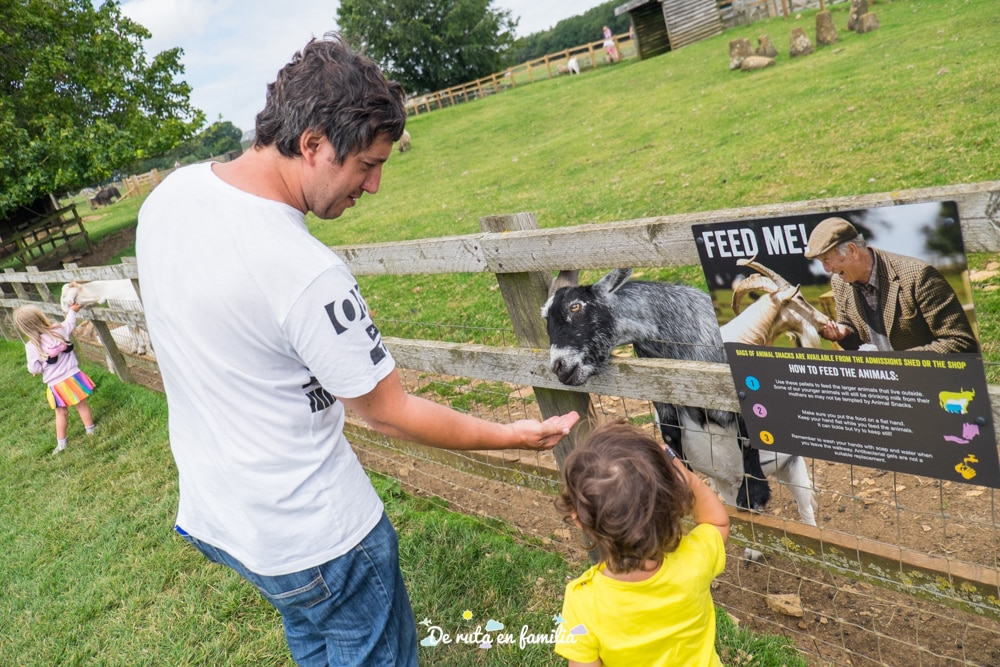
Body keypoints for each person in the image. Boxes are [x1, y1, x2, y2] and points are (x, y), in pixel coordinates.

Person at [135, 33, 578, 667]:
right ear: (312, 143)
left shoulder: (170, 198)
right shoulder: (303, 271)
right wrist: (511, 435)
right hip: (321, 535)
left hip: (225, 517)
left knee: (313, 638)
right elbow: (387, 410)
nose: (372, 188)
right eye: (366, 166)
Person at [553, 421, 729, 667]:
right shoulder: (694, 561)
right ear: (673, 502)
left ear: (578, 520)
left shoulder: (583, 603)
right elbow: (717, 523)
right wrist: (686, 476)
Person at [804, 216, 978, 354]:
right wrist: (845, 334)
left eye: (826, 259)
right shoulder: (840, 282)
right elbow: (858, 340)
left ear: (852, 250)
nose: (826, 269)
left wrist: (897, 364)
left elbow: (960, 342)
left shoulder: (919, 276)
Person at [13, 303, 97, 453]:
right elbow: (70, 323)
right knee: (81, 405)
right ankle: (90, 431)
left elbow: (34, 368)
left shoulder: (31, 346)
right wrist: (72, 310)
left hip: (56, 384)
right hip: (73, 376)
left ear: (23, 327)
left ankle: (61, 444)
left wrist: (38, 369)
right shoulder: (58, 330)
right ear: (40, 317)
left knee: (60, 413)